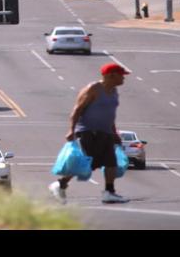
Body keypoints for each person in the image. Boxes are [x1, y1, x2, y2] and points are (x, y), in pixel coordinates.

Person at [51, 63, 130, 204]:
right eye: (121, 75)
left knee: (110, 162)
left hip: (106, 132)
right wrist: (71, 129)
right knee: (88, 163)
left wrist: (114, 132)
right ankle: (60, 184)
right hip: (88, 131)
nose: (123, 78)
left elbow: (110, 114)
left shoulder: (114, 91)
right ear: (111, 75)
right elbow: (77, 110)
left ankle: (109, 192)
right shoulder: (93, 89)